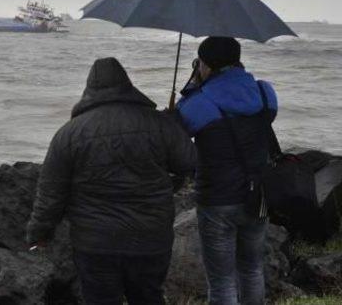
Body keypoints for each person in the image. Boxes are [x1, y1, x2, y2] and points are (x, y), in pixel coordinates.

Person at [26, 57, 197, 305]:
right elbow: (189, 163)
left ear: (89, 89)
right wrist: (175, 125)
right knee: (149, 297)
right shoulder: (158, 124)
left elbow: (51, 194)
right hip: (150, 238)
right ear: (127, 85)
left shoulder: (69, 134)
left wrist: (39, 234)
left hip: (95, 243)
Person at [176, 37, 278, 305]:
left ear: (204, 64)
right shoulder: (265, 92)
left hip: (218, 199)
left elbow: (179, 131)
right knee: (252, 269)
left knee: (222, 281)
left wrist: (191, 88)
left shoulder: (200, 102)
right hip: (259, 194)